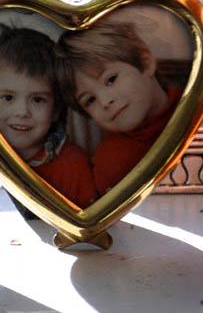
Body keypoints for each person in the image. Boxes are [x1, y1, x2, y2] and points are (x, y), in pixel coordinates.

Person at [0, 25, 96, 208]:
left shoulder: (73, 165)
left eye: (38, 100)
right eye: (8, 97)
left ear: (56, 110)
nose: (22, 112)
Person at [55, 21, 182, 195]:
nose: (105, 101)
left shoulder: (196, 107)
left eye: (111, 80)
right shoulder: (111, 163)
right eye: (90, 100)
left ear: (145, 63)